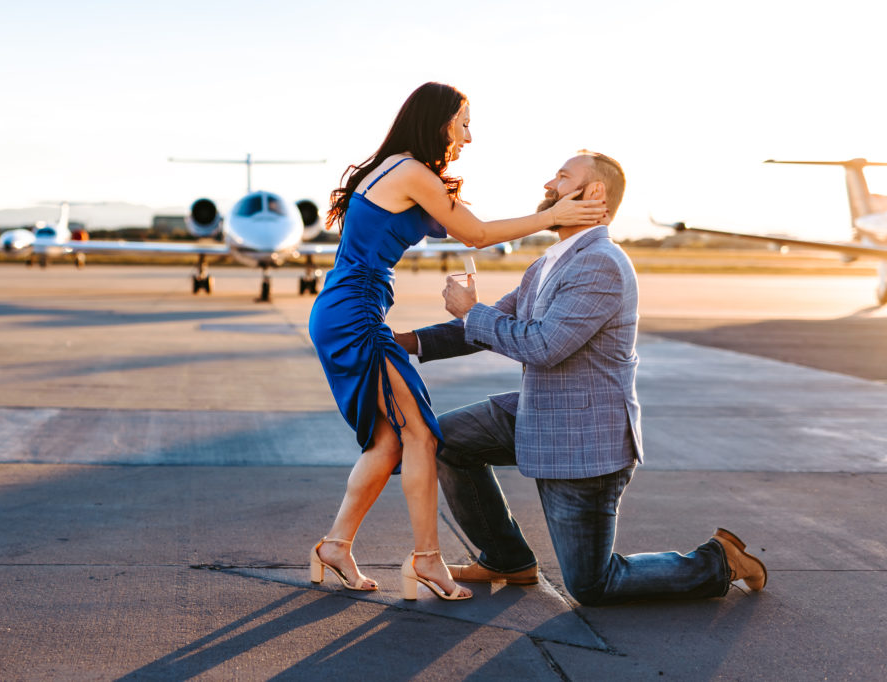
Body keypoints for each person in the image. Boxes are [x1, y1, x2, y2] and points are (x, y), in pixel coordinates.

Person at [394, 151, 767, 605]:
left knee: (593, 584)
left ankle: (718, 561)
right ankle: (506, 559)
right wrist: (403, 342)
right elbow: (493, 324)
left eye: (562, 176)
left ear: (594, 194)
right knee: (443, 440)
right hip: (538, 412)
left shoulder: (600, 264)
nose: (549, 182)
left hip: (584, 438)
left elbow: (542, 346)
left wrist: (473, 312)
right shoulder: (550, 263)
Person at [307, 83, 607, 602]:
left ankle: (336, 545)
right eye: (464, 123)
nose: (469, 136)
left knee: (390, 439)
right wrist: (556, 217)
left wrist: (551, 215)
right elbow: (478, 234)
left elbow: (473, 225)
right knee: (422, 434)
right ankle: (427, 560)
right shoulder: (410, 172)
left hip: (346, 308)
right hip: (354, 311)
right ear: (439, 120)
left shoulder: (402, 171)